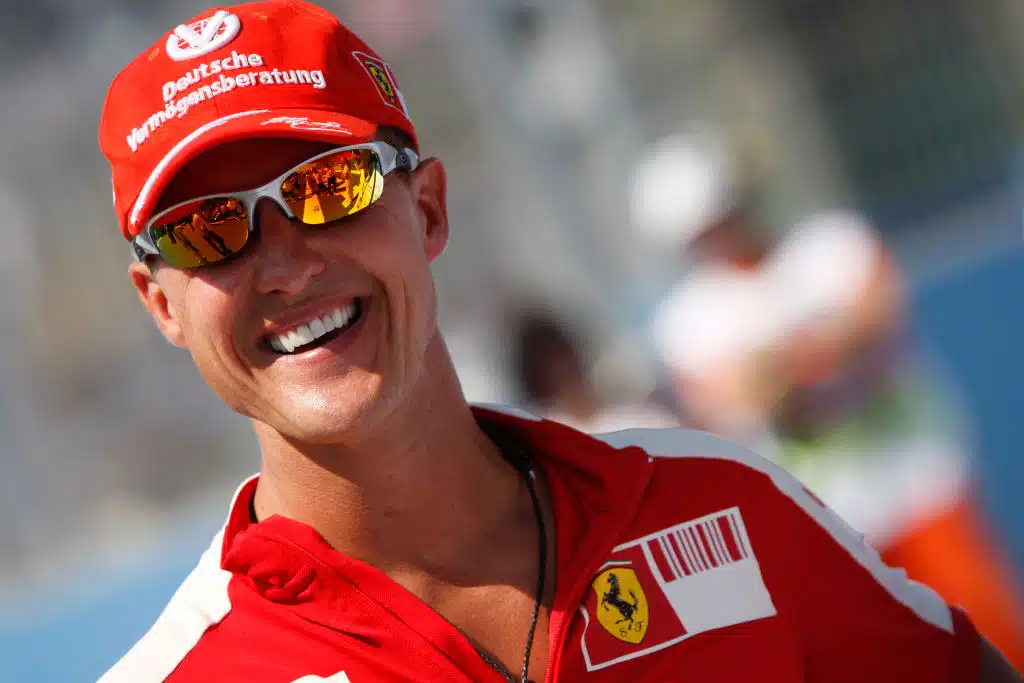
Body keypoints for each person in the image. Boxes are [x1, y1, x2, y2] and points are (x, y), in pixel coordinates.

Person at [97, 2, 1017, 681]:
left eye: (330, 186)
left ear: (428, 210)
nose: (287, 265)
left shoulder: (725, 508)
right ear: (161, 304)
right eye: (206, 230)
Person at [635, 126, 1024, 669]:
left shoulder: (832, 246)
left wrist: (784, 361)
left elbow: (875, 315)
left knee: (988, 627)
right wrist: (817, 348)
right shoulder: (688, 323)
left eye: (725, 212)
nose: (722, 232)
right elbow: (741, 395)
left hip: (919, 476)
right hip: (828, 518)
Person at [510, 307, 678, 433]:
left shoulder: (639, 419)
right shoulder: (543, 440)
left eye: (562, 360)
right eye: (548, 368)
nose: (560, 372)